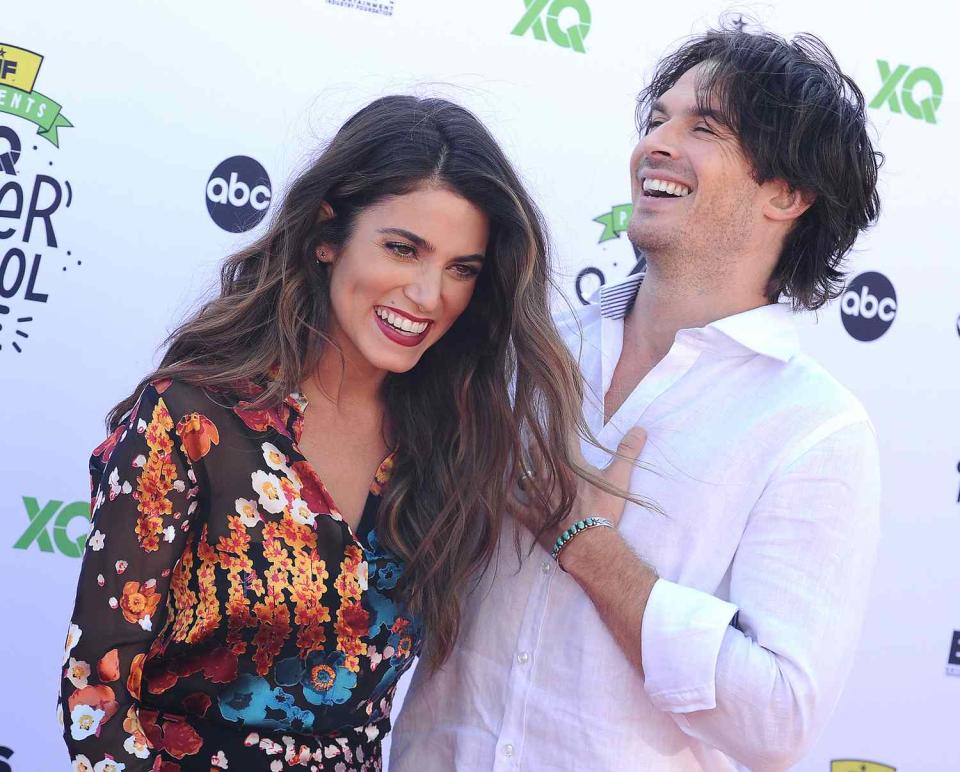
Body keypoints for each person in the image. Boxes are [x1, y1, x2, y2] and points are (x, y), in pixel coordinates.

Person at [57, 95, 637, 771]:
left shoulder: (453, 442)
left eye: (461, 269)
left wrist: (586, 541)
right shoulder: (190, 418)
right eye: (402, 249)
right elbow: (94, 697)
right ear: (328, 233)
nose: (428, 295)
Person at [391, 26, 883, 771]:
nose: (657, 143)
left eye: (703, 126)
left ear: (785, 193)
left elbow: (778, 719)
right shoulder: (530, 352)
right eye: (657, 118)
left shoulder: (813, 430)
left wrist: (589, 548)